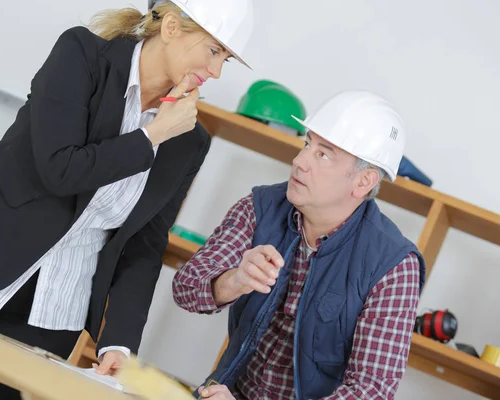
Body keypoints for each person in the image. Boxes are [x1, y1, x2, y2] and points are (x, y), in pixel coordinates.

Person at [0, 0, 254, 398]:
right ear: (172, 27)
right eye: (213, 51)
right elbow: (60, 169)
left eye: (224, 59)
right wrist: (152, 136)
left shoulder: (190, 141)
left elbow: (144, 244)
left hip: (53, 309)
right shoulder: (82, 56)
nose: (215, 72)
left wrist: (119, 342)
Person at [172, 90, 427, 399]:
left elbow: (370, 390)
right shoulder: (260, 207)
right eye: (307, 144)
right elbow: (185, 288)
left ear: (364, 181)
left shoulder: (394, 266)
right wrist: (234, 280)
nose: (299, 161)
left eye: (324, 154)